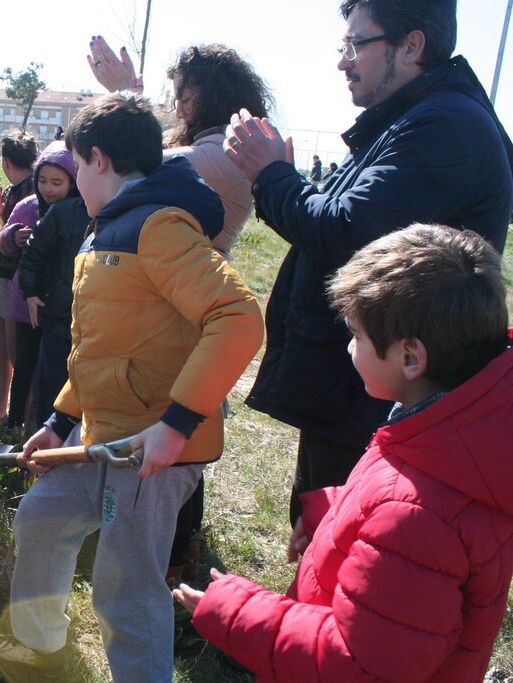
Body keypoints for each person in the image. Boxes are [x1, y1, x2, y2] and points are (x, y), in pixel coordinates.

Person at [0, 93, 264, 682]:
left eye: (77, 164)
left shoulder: (158, 227)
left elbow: (238, 317)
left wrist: (176, 425)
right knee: (41, 518)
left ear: (98, 160)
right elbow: (101, 348)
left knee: (123, 584)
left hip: (150, 448)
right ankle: (39, 649)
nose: (75, 177)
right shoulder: (105, 231)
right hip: (100, 431)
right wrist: (59, 420)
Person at [176, 224, 513, 683]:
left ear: (410, 357)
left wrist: (237, 610)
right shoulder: (451, 431)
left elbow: (357, 663)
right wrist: (338, 515)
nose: (349, 345)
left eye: (356, 334)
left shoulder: (415, 517)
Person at [223, 0, 513, 526]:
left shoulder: (445, 125)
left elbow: (346, 230)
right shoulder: (415, 118)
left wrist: (272, 176)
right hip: (369, 381)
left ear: (411, 45)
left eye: (357, 44)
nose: (343, 61)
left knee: (347, 541)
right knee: (322, 532)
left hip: (391, 394)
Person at [89, 36, 274, 584]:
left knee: (174, 440)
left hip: (178, 307)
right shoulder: (215, 147)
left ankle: (167, 568)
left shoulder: (214, 155)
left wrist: (125, 97)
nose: (175, 104)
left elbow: (132, 170)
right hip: (176, 296)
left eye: (181, 93)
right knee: (179, 440)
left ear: (204, 94)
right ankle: (178, 557)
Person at [0, 141, 80, 429]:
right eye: (42, 181)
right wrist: (12, 236)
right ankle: (15, 423)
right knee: (24, 365)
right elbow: (3, 242)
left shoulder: (80, 211)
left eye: (57, 182)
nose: (48, 188)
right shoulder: (28, 206)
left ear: (73, 181)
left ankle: (49, 423)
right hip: (25, 304)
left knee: (54, 368)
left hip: (60, 307)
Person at [15, 165, 90, 429]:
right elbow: (33, 254)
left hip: (97, 326)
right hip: (58, 318)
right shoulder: (62, 213)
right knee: (50, 393)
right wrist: (31, 292)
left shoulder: (125, 215)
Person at [0, 130, 38, 423]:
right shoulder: (15, 190)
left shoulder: (28, 194)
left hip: (13, 281)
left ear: (5, 161)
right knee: (0, 345)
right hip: (1, 277)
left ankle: (17, 414)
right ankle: (2, 412)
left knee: (11, 351)